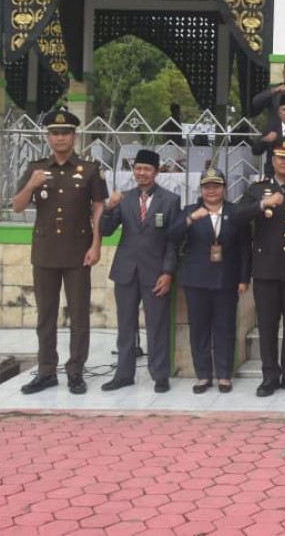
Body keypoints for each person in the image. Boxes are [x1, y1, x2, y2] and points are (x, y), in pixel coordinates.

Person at [11, 107, 108, 395]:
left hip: (79, 251)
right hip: (45, 252)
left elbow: (99, 207)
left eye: (65, 133)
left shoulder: (89, 169)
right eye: (55, 133)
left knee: (79, 314)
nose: (60, 138)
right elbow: (17, 206)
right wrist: (31, 184)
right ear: (48, 137)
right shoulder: (37, 168)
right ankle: (46, 370)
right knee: (46, 315)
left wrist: (97, 244)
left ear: (74, 136)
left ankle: (76, 370)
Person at [234, 139, 285, 398]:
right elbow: (236, 216)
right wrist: (263, 204)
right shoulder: (258, 189)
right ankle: (270, 375)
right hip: (267, 269)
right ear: (273, 160)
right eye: (281, 157)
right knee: (268, 326)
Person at [98, 148, 182, 393]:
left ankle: (160, 375)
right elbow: (105, 231)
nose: (142, 173)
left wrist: (167, 273)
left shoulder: (170, 200)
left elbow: (173, 241)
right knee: (126, 326)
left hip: (156, 273)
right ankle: (124, 374)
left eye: (147, 169)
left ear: (156, 172)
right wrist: (109, 207)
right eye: (138, 169)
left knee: (157, 326)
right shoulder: (123, 198)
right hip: (126, 271)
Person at [168, 169, 249, 395]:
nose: (211, 190)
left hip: (227, 280)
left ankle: (224, 374)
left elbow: (245, 247)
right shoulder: (190, 211)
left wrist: (244, 278)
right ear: (201, 189)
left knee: (225, 328)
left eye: (216, 186)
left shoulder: (235, 212)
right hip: (197, 280)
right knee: (199, 329)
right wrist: (190, 220)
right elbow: (171, 235)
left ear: (224, 188)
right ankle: (203, 375)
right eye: (207, 186)